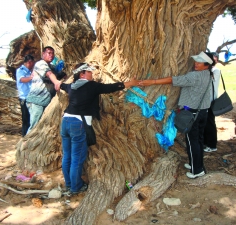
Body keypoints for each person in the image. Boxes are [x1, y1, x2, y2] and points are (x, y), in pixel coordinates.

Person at [60, 63, 139, 195]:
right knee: (76, 158)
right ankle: (76, 187)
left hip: (66, 121)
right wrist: (131, 83)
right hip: (78, 124)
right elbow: (111, 87)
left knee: (67, 155)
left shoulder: (71, 86)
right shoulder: (91, 86)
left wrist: (55, 80)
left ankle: (68, 183)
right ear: (82, 74)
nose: (92, 74)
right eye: (89, 72)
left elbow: (62, 85)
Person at [139, 51, 215, 179]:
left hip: (192, 114)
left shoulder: (194, 76)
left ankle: (197, 171)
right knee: (199, 140)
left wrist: (151, 81)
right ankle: (195, 164)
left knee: (192, 141)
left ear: (207, 65)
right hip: (203, 112)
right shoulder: (208, 74)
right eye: (196, 61)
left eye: (200, 62)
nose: (196, 64)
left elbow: (173, 80)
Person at [26, 46, 65, 134]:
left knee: (42, 127)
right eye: (49, 53)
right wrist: (56, 82)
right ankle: (26, 146)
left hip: (45, 101)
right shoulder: (40, 64)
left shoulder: (51, 66)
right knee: (34, 127)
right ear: (43, 54)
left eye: (52, 53)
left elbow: (59, 74)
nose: (51, 55)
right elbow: (49, 74)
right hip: (36, 101)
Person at [204, 52, 221, 153]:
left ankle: (212, 145)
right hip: (206, 101)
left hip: (210, 101)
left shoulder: (215, 70)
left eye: (214, 59)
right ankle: (206, 143)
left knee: (210, 123)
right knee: (205, 123)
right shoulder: (209, 70)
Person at [16, 54, 35, 136]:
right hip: (24, 98)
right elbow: (22, 79)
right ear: (29, 62)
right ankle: (24, 136)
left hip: (32, 98)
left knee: (32, 118)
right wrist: (31, 77)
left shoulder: (30, 71)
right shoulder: (20, 70)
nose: (33, 65)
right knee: (25, 119)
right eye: (32, 63)